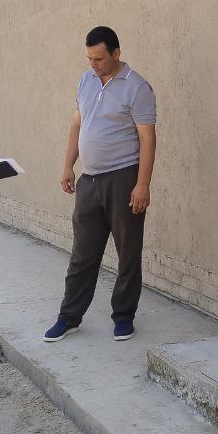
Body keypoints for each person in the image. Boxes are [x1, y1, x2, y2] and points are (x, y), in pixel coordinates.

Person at [43, 27, 156, 344]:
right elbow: (78, 124)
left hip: (123, 178)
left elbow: (148, 139)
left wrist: (142, 185)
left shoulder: (137, 87)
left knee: (127, 253)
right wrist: (68, 165)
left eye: (99, 59)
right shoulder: (86, 80)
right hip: (89, 180)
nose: (93, 65)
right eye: (89, 58)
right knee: (82, 253)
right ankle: (69, 317)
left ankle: (123, 316)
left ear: (116, 53)